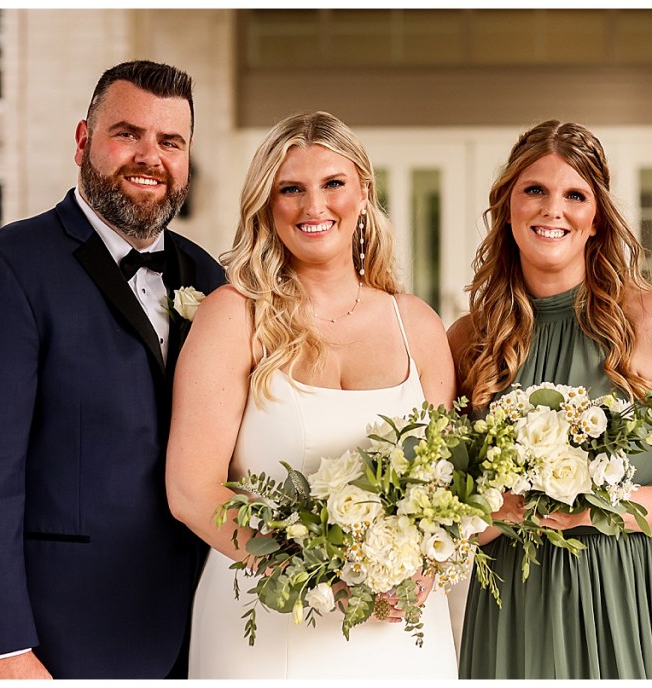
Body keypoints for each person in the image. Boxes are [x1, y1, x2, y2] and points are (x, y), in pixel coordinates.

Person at [0, 60, 226, 679]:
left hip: (202, 630)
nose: (150, 157)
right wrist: (3, 648)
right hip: (61, 637)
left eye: (171, 141)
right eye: (128, 134)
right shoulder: (3, 269)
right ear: (83, 141)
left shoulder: (211, 278)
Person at [165, 111, 460, 679]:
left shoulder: (417, 324)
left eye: (333, 184)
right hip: (265, 624)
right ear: (266, 203)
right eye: (291, 189)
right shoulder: (234, 316)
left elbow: (443, 486)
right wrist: (319, 576)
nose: (313, 206)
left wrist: (426, 567)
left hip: (400, 630)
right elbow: (190, 490)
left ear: (364, 193)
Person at [449, 120, 652, 679]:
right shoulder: (468, 342)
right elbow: (448, 510)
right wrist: (503, 510)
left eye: (575, 195)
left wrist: (594, 507)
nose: (552, 209)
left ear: (596, 217)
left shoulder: (651, 322)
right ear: (507, 207)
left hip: (647, 604)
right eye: (535, 190)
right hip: (522, 611)